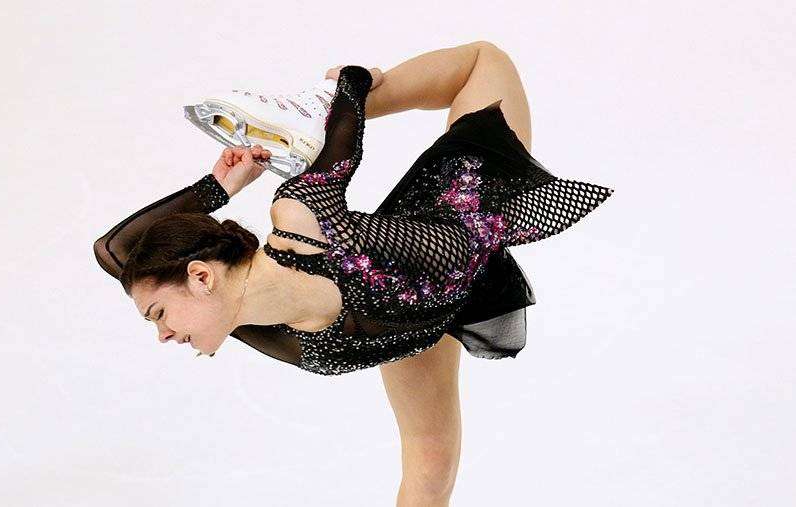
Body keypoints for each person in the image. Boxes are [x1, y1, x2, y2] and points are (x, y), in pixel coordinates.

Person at [93, 42, 613, 504]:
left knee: (484, 60)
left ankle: (323, 103)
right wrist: (216, 190)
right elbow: (115, 253)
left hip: (463, 216)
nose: (163, 335)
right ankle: (329, 107)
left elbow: (343, 151)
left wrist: (353, 87)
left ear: (202, 277)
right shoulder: (243, 319)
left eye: (158, 314)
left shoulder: (300, 222)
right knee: (431, 473)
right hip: (417, 328)